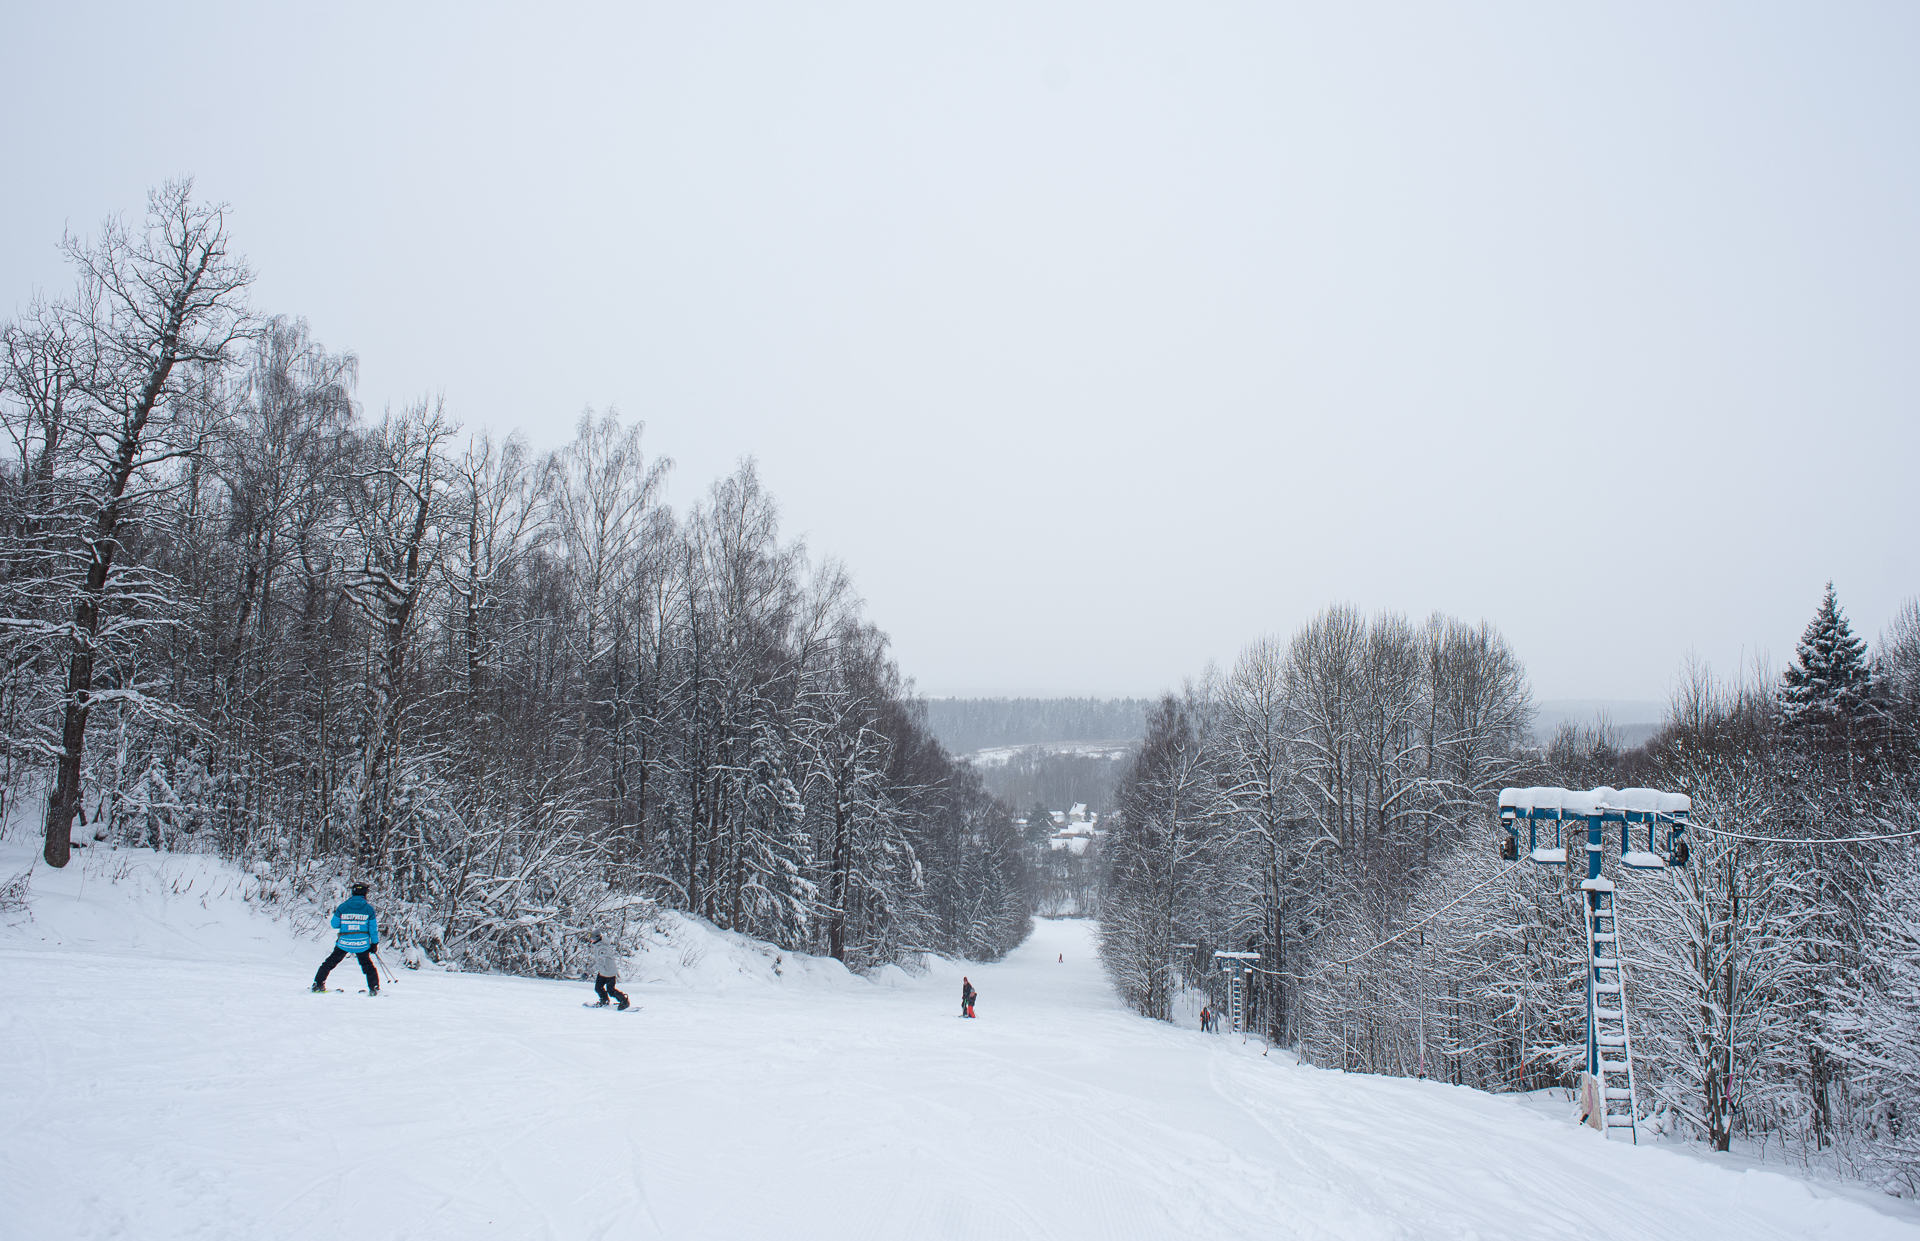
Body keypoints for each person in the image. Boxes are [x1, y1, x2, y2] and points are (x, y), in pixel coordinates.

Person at [312, 882, 380, 994]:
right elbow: (373, 929)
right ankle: (374, 988)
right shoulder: (369, 909)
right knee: (367, 965)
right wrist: (374, 943)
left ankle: (318, 984)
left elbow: (335, 924)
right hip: (361, 943)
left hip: (344, 942)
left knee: (330, 963)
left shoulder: (343, 906)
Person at [587, 931, 629, 1009]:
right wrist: (589, 968)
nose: (590, 940)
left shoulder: (603, 948)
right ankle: (604, 1000)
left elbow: (600, 963)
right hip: (602, 972)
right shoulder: (597, 946)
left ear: (596, 938)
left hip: (609, 972)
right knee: (598, 988)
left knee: (611, 991)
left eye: (591, 938)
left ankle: (624, 1001)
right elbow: (596, 960)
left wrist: (588, 972)